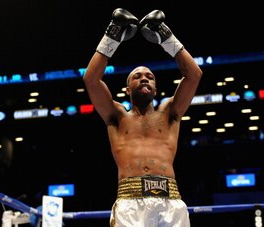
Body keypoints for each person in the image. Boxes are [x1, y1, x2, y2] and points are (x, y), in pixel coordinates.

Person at [83, 8, 203, 227]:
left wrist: (166, 37)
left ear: (156, 89)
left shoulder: (170, 113)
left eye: (150, 77)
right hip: (130, 203)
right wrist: (113, 35)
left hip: (170, 202)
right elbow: (91, 79)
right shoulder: (116, 116)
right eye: (137, 77)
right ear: (128, 89)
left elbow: (194, 74)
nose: (144, 79)